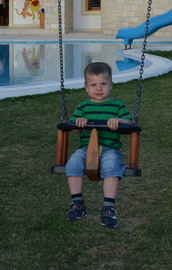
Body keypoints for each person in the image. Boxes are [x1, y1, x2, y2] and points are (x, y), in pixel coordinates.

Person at [65, 62, 132, 228]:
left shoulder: (117, 105)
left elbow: (129, 123)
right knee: (72, 164)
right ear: (86, 87)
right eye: (94, 85)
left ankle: (108, 207)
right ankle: (77, 203)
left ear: (111, 85)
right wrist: (78, 123)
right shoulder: (83, 106)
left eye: (103, 83)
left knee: (111, 166)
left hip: (110, 150)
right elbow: (73, 129)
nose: (99, 88)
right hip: (85, 150)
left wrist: (118, 121)